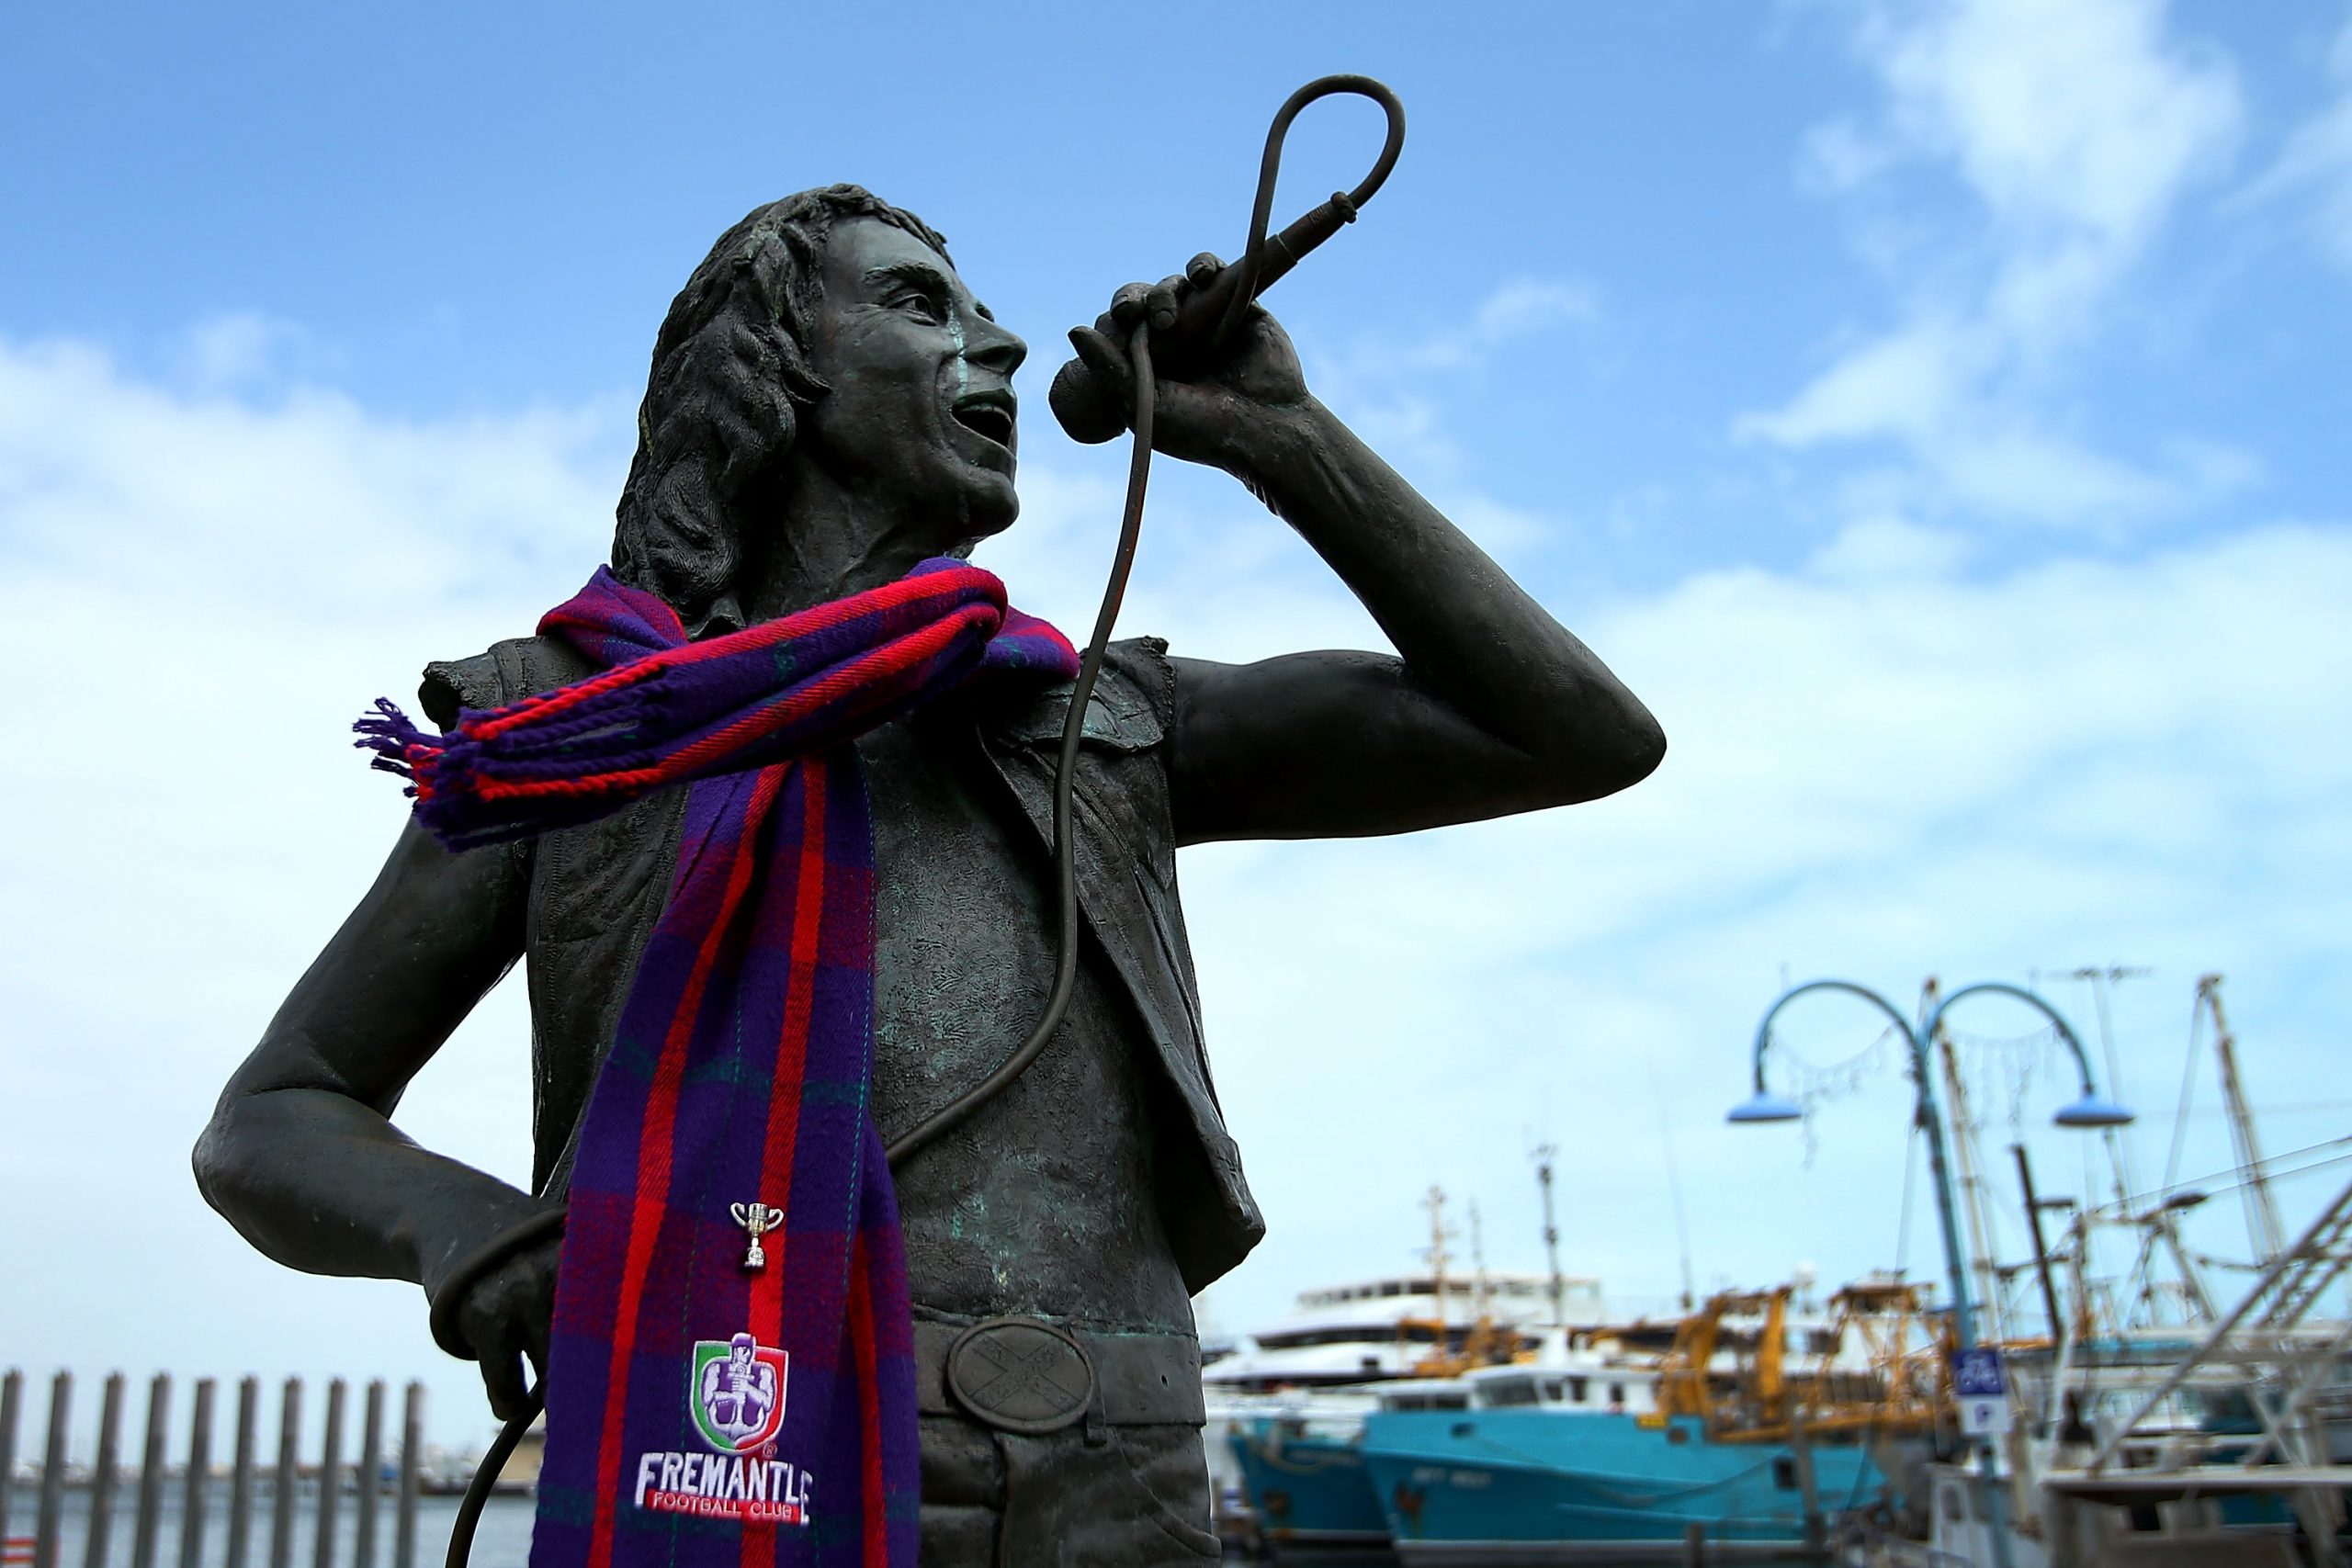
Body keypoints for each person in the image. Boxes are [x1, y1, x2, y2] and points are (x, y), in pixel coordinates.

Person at [194, 185, 1664, 1563]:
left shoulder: (1099, 722)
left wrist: (1284, 436)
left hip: (1118, 1472)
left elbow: (1575, 734)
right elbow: (275, 1115)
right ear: (780, 376)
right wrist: (468, 1235)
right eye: (919, 305)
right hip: (713, 1430)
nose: (1002, 341)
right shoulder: (576, 728)